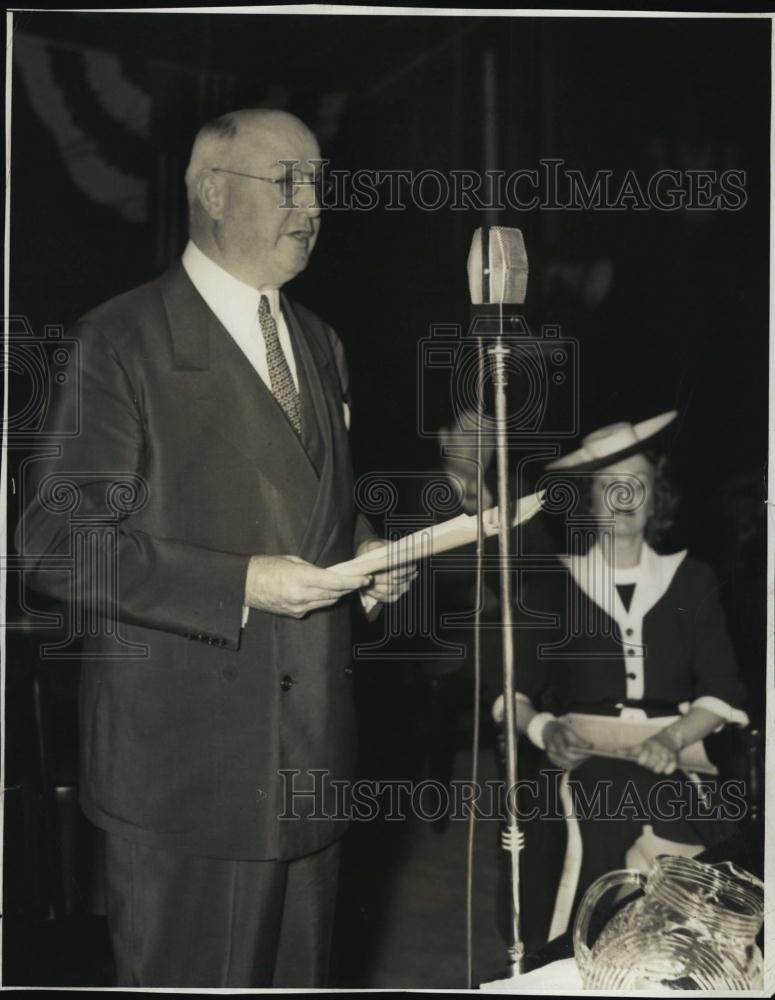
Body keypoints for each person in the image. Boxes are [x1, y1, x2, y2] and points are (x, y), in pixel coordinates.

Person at [15, 109, 416, 988]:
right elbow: (50, 543)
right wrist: (237, 584)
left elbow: (310, 503)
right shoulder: (118, 340)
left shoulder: (320, 341)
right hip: (185, 777)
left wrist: (365, 549)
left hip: (310, 764)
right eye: (287, 182)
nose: (311, 204)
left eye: (319, 183)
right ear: (210, 192)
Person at [492, 411, 750, 945]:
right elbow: (507, 694)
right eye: (611, 488)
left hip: (676, 760)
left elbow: (722, 693)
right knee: (603, 801)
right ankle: (575, 956)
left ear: (657, 497)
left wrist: (671, 737)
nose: (626, 501)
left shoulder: (691, 580)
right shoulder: (556, 584)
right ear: (589, 500)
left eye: (639, 486)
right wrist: (544, 730)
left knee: (697, 833)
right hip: (581, 764)